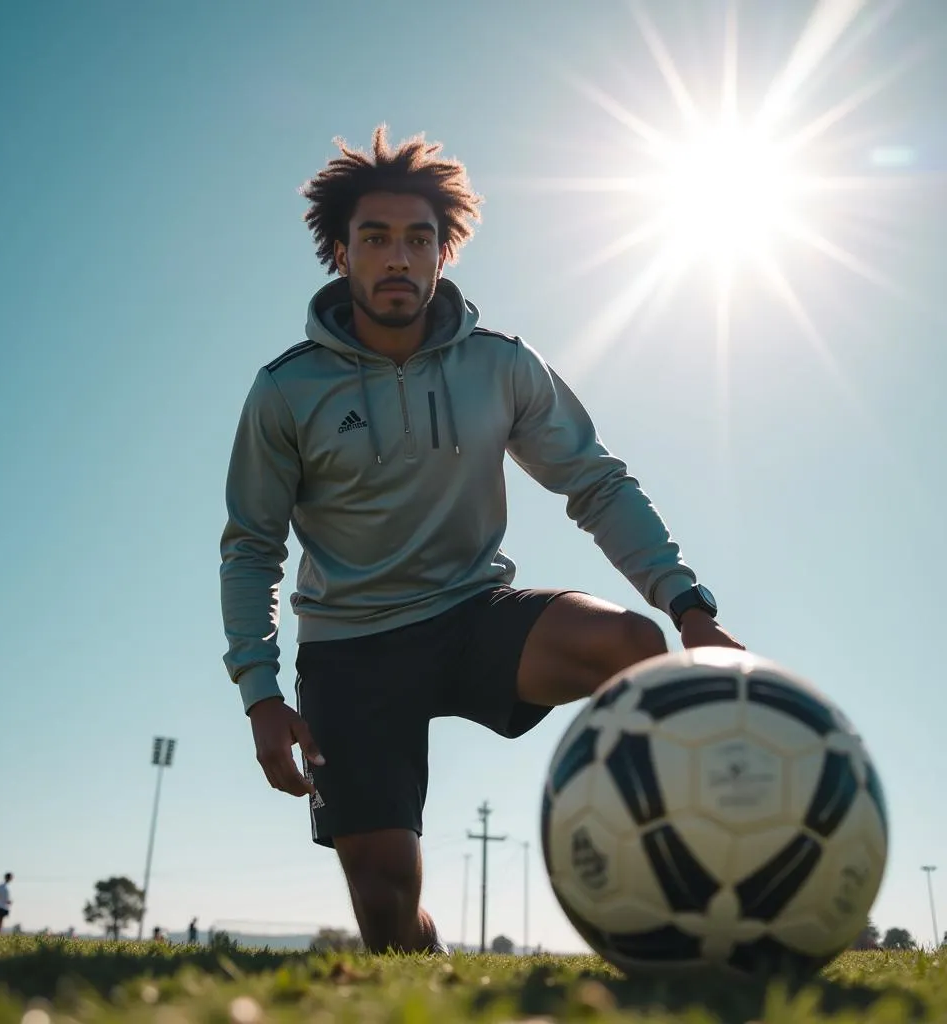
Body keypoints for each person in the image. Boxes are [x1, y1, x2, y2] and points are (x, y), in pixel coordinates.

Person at [219, 126, 744, 955]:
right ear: (341, 254)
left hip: (471, 615)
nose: (398, 258)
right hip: (348, 651)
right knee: (389, 915)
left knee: (631, 644)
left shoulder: (499, 365)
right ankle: (422, 963)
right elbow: (252, 546)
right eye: (376, 239)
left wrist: (688, 604)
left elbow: (595, 481)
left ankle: (680, 893)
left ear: (443, 254)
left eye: (417, 240)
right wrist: (260, 694)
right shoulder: (286, 391)